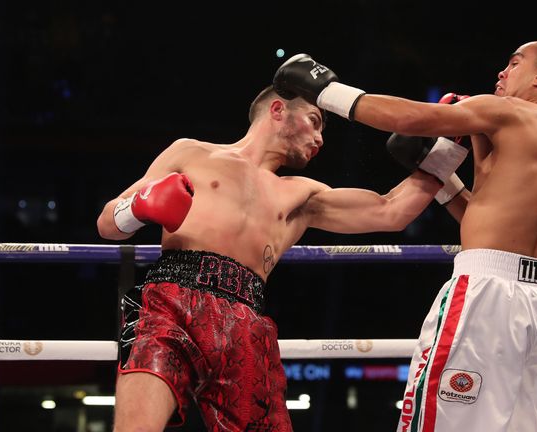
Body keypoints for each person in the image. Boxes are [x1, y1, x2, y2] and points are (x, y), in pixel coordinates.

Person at [96, 85, 469, 432]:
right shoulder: (190, 152)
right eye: (315, 121)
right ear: (278, 110)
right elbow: (107, 223)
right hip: (169, 301)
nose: (321, 138)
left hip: (245, 319)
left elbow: (391, 211)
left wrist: (447, 148)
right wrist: (140, 208)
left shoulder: (301, 195)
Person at [273, 40, 537, 432]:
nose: (502, 73)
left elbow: (410, 119)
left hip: (489, 295)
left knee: (446, 422)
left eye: (514, 63)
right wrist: (440, 177)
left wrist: (325, 90)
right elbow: (494, 225)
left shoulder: (506, 111)